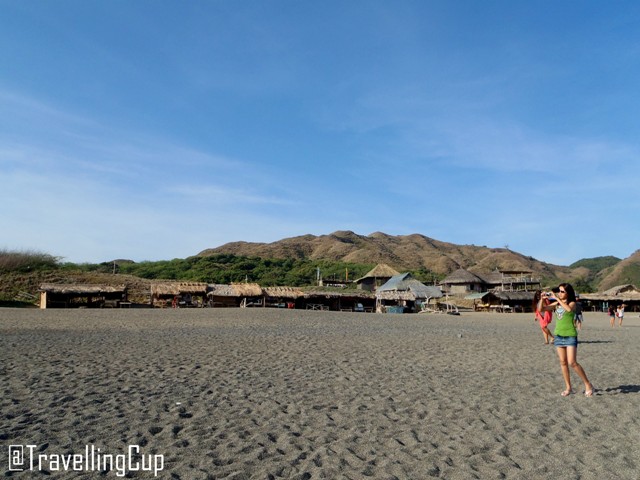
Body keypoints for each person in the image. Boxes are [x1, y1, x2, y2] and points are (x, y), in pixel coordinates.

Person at [538, 283, 594, 397]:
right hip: (559, 335)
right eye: (559, 291)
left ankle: (588, 384)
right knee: (563, 362)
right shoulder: (557, 304)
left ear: (568, 293)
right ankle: (568, 387)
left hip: (570, 335)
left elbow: (568, 310)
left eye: (562, 291)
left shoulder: (572, 303)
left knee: (572, 362)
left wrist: (557, 298)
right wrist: (542, 299)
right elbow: (541, 309)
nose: (560, 293)